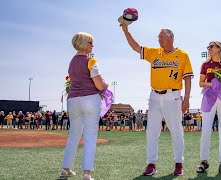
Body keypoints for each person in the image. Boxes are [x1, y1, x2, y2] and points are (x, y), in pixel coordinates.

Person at [120, 23, 193, 176]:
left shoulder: (183, 55)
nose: (158, 39)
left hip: (173, 96)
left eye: (161, 36)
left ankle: (178, 162)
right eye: (158, 37)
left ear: (170, 37)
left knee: (176, 131)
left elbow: (187, 79)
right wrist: (126, 31)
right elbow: (136, 47)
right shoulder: (154, 52)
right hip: (154, 96)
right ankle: (151, 163)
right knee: (152, 131)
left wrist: (186, 98)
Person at [59, 32, 108, 180]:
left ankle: (65, 169)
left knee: (73, 136)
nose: (92, 46)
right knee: (90, 137)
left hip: (73, 100)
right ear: (84, 44)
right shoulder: (91, 61)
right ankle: (87, 173)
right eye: (91, 43)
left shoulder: (72, 62)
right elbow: (99, 85)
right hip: (90, 100)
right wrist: (106, 84)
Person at [196, 41, 221, 174]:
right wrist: (211, 84)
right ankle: (204, 161)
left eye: (211, 46)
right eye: (208, 47)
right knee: (205, 130)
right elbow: (200, 83)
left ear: (219, 48)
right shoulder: (205, 64)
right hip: (209, 97)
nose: (209, 48)